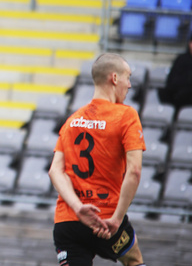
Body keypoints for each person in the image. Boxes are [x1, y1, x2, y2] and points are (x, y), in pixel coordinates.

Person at [49, 53, 147, 266]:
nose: (129, 85)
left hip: (69, 221)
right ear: (114, 79)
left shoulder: (72, 120)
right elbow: (135, 171)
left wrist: (78, 207)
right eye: (127, 77)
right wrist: (118, 218)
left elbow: (55, 171)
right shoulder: (126, 116)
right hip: (106, 220)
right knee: (134, 260)